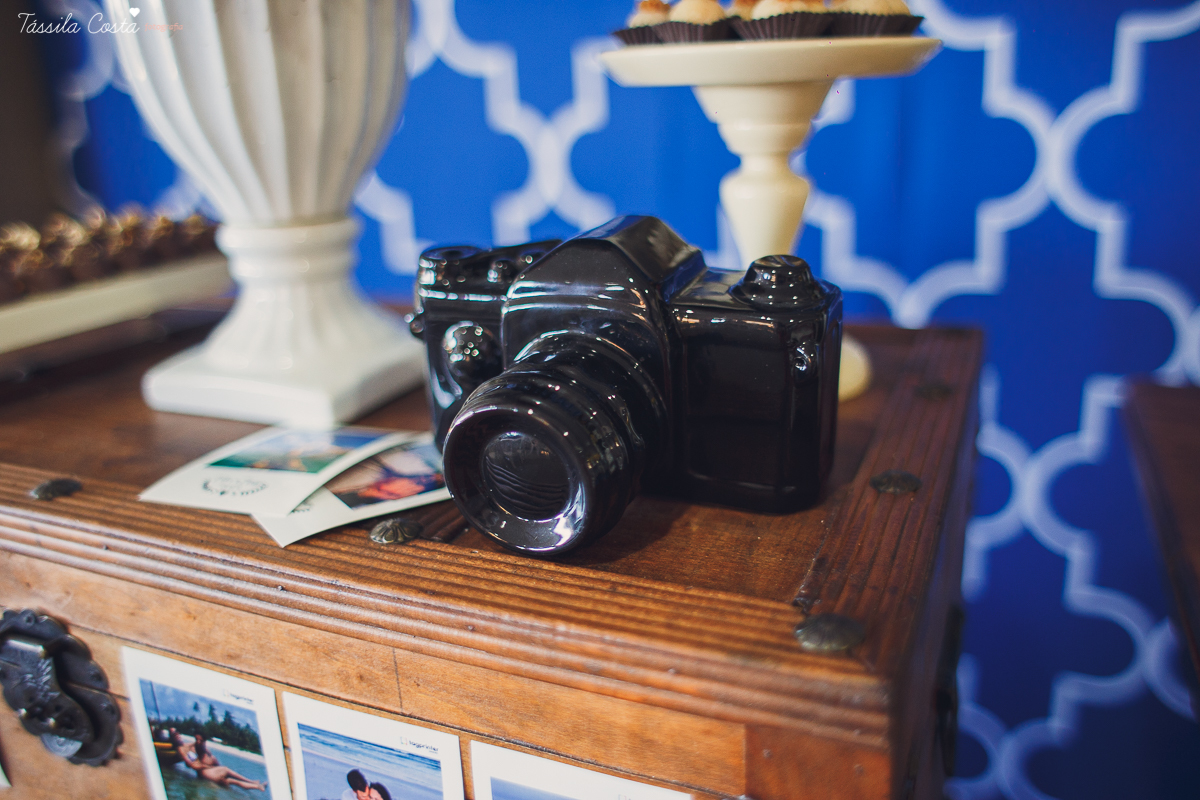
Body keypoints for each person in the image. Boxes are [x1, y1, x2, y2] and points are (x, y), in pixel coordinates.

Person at [185, 733, 268, 791]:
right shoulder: (197, 754)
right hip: (211, 778)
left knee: (235, 781)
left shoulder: (204, 756)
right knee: (227, 771)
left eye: (200, 740)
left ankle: (258, 786)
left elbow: (212, 764)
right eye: (196, 740)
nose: (198, 742)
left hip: (212, 778)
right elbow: (194, 763)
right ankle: (253, 783)